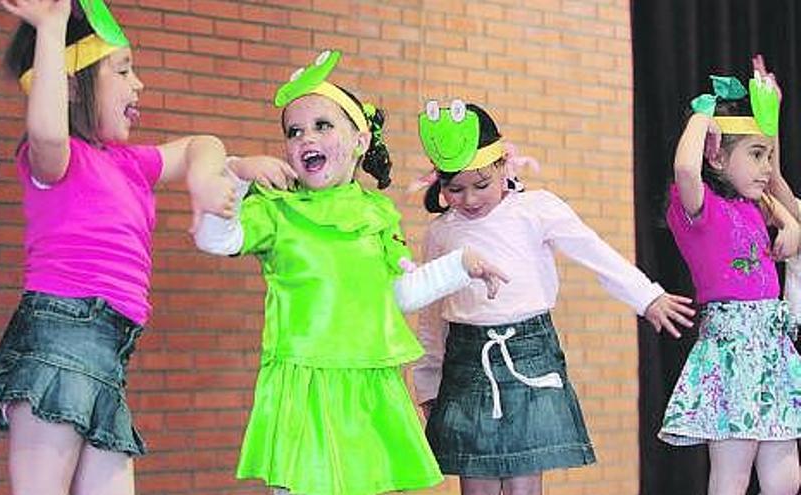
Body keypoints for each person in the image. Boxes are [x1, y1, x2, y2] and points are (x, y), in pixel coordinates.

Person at [194, 50, 507, 495]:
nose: (306, 138)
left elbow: (396, 295)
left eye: (323, 125)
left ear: (360, 139)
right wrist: (237, 175)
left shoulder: (376, 215)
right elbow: (216, 239)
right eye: (294, 131)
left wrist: (461, 266)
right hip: (306, 387)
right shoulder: (276, 209)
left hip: (368, 386)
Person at [0, 1, 236, 494]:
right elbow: (46, 127)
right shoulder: (56, 161)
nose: (139, 84)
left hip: (110, 355)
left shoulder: (129, 163)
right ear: (69, 84)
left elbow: (204, 143)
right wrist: (49, 28)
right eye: (123, 69)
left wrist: (204, 176)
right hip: (58, 344)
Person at [411, 100, 696, 495]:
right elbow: (431, 316)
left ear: (503, 167)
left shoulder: (536, 209)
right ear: (439, 185)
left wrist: (647, 297)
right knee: (476, 488)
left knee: (524, 488)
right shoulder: (441, 232)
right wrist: (428, 383)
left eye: (481, 185)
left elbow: (594, 253)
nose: (470, 200)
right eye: (455, 189)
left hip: (531, 352)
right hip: (466, 363)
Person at [659, 65, 801, 495]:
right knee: (732, 475)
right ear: (717, 156)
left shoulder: (759, 204)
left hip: (772, 348)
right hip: (733, 349)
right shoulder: (699, 207)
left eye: (769, 156)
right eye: (756, 155)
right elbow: (685, 168)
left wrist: (791, 227)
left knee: (785, 479)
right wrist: (703, 117)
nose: (765, 168)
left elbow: (790, 206)